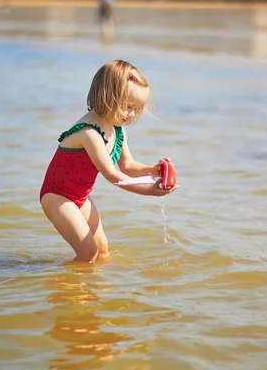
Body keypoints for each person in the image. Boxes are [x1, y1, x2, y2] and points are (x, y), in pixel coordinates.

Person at [39, 60, 178, 263]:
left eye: (136, 109)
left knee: (102, 249)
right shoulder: (89, 133)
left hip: (80, 196)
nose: (131, 114)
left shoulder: (117, 130)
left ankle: (93, 290)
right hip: (57, 196)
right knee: (88, 252)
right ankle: (71, 291)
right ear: (107, 97)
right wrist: (150, 191)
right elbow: (114, 176)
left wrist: (153, 170)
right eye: (128, 106)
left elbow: (128, 166)